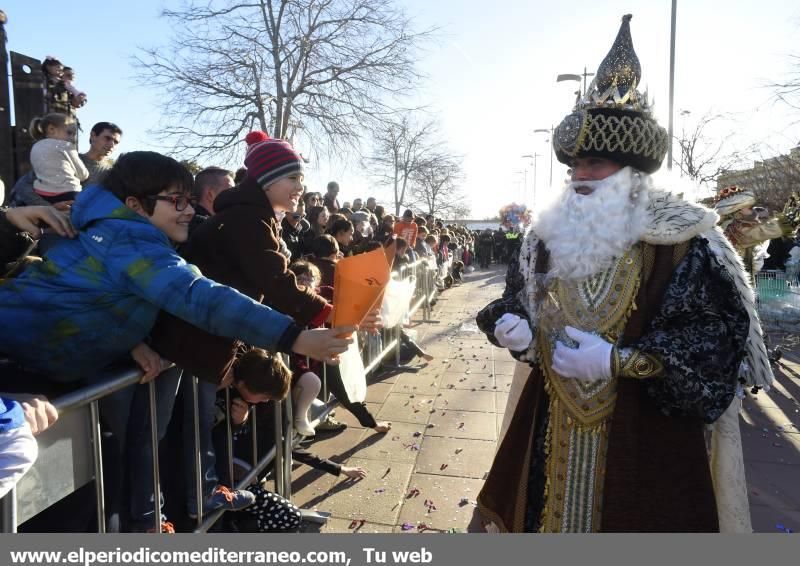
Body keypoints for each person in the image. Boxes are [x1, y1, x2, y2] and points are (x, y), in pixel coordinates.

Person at [475, 14, 771, 533]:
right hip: (550, 425)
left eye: (594, 165)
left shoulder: (685, 240)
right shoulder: (545, 237)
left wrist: (622, 361)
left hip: (645, 436)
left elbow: (715, 339)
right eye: (574, 167)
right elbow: (516, 299)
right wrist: (510, 325)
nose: (579, 178)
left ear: (632, 173)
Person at [28, 113, 88, 206]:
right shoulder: (65, 146)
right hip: (69, 192)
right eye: (69, 133)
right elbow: (83, 174)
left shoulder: (35, 147)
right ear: (51, 129)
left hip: (42, 193)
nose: (72, 138)